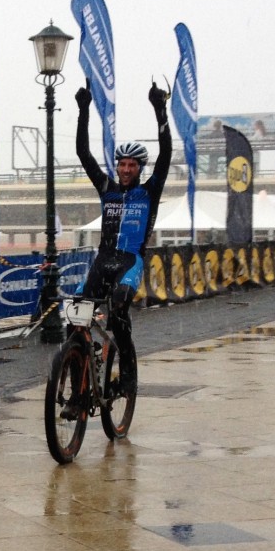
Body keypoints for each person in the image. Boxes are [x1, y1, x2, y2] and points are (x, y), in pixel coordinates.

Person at [66, 78, 172, 416]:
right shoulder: (107, 188)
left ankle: (127, 379)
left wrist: (160, 110)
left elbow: (167, 151)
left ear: (140, 169)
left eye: (132, 166)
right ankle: (77, 392)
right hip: (103, 262)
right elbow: (83, 153)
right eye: (122, 164)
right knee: (74, 319)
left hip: (130, 263)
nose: (126, 170)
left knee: (119, 310)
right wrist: (83, 110)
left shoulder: (149, 191)